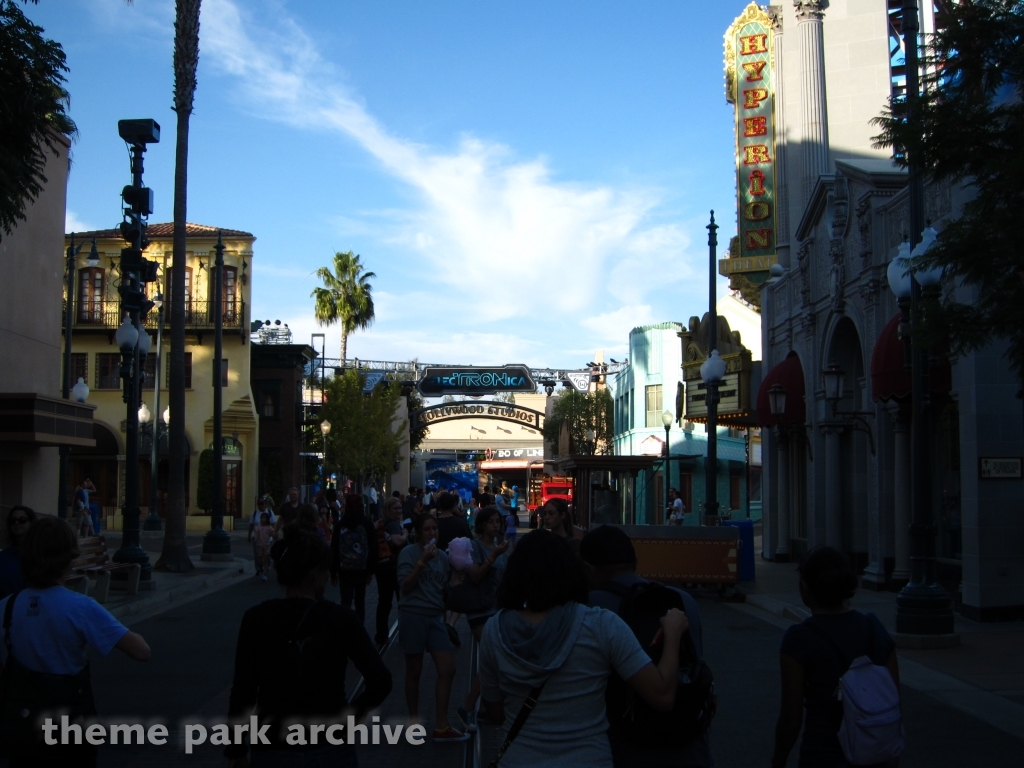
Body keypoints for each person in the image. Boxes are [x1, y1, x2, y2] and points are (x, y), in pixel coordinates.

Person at [477, 530, 686, 768]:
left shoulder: (494, 631)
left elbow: (493, 712)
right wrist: (672, 633)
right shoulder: (600, 625)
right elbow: (662, 696)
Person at [226, 527, 392, 767]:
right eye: (326, 572)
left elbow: (243, 689)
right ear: (315, 574)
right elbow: (381, 680)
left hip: (273, 743)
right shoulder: (340, 618)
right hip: (329, 743)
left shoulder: (257, 618)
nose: (327, 577)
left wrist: (235, 747)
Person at [0, 516, 150, 767]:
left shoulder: (6, 607)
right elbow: (141, 651)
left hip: (23, 726)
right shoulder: (80, 607)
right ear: (69, 558)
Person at [581, 525, 713, 768]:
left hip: (623, 745)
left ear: (589, 570)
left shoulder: (589, 608)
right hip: (688, 745)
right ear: (636, 561)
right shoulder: (683, 601)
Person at [770, 547, 899, 768]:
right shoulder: (874, 628)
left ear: (805, 588)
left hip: (823, 754)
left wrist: (778, 760)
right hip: (876, 755)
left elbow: (791, 719)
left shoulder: (799, 639)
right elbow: (893, 698)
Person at [397, 514, 468, 742]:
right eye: (426, 529)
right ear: (418, 532)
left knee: (447, 669)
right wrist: (422, 562)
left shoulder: (444, 559)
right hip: (413, 615)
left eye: (434, 529)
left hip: (436, 617)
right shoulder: (408, 554)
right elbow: (405, 586)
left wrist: (455, 582)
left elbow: (443, 587)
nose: (431, 533)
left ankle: (441, 725)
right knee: (415, 671)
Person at [456, 506, 509, 733]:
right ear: (482, 525)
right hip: (478, 609)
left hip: (496, 608)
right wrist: (494, 556)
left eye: (498, 521)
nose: (495, 525)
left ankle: (486, 707)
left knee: (492, 657)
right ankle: (468, 706)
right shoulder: (476, 546)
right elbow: (475, 576)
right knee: (491, 656)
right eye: (491, 522)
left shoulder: (501, 547)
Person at [331, 495, 378, 624]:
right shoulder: (366, 524)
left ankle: (345, 628)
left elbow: (334, 548)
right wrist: (371, 570)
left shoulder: (340, 525)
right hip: (361, 569)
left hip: (344, 569)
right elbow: (373, 547)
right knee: (360, 601)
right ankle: (359, 628)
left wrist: (333, 572)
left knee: (345, 600)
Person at [374, 497, 409, 646]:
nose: (399, 511)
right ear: (388, 510)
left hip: (382, 567)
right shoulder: (394, 525)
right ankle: (405, 634)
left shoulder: (381, 524)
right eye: (396, 508)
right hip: (394, 567)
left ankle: (381, 635)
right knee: (403, 602)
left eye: (400, 508)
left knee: (384, 602)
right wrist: (406, 534)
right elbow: (397, 541)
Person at [0, 505, 36, 599]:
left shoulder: (40, 554)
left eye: (22, 520)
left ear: (31, 523)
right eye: (13, 520)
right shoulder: (4, 556)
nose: (16, 523)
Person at [248, 497, 276, 576]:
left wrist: (273, 533)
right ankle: (259, 568)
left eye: (262, 504)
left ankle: (266, 567)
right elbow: (251, 525)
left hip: (267, 538)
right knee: (257, 554)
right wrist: (249, 535)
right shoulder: (254, 514)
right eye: (259, 504)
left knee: (267, 554)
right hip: (257, 538)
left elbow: (274, 523)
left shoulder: (270, 512)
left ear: (265, 504)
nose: (261, 506)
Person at [253, 512, 275, 582]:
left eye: (264, 518)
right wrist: (255, 540)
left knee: (265, 559)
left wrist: (274, 535)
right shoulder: (258, 528)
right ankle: (262, 570)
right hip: (259, 545)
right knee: (260, 559)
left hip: (266, 545)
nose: (263, 519)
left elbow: (272, 534)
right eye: (262, 518)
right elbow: (256, 535)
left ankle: (265, 573)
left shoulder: (269, 528)